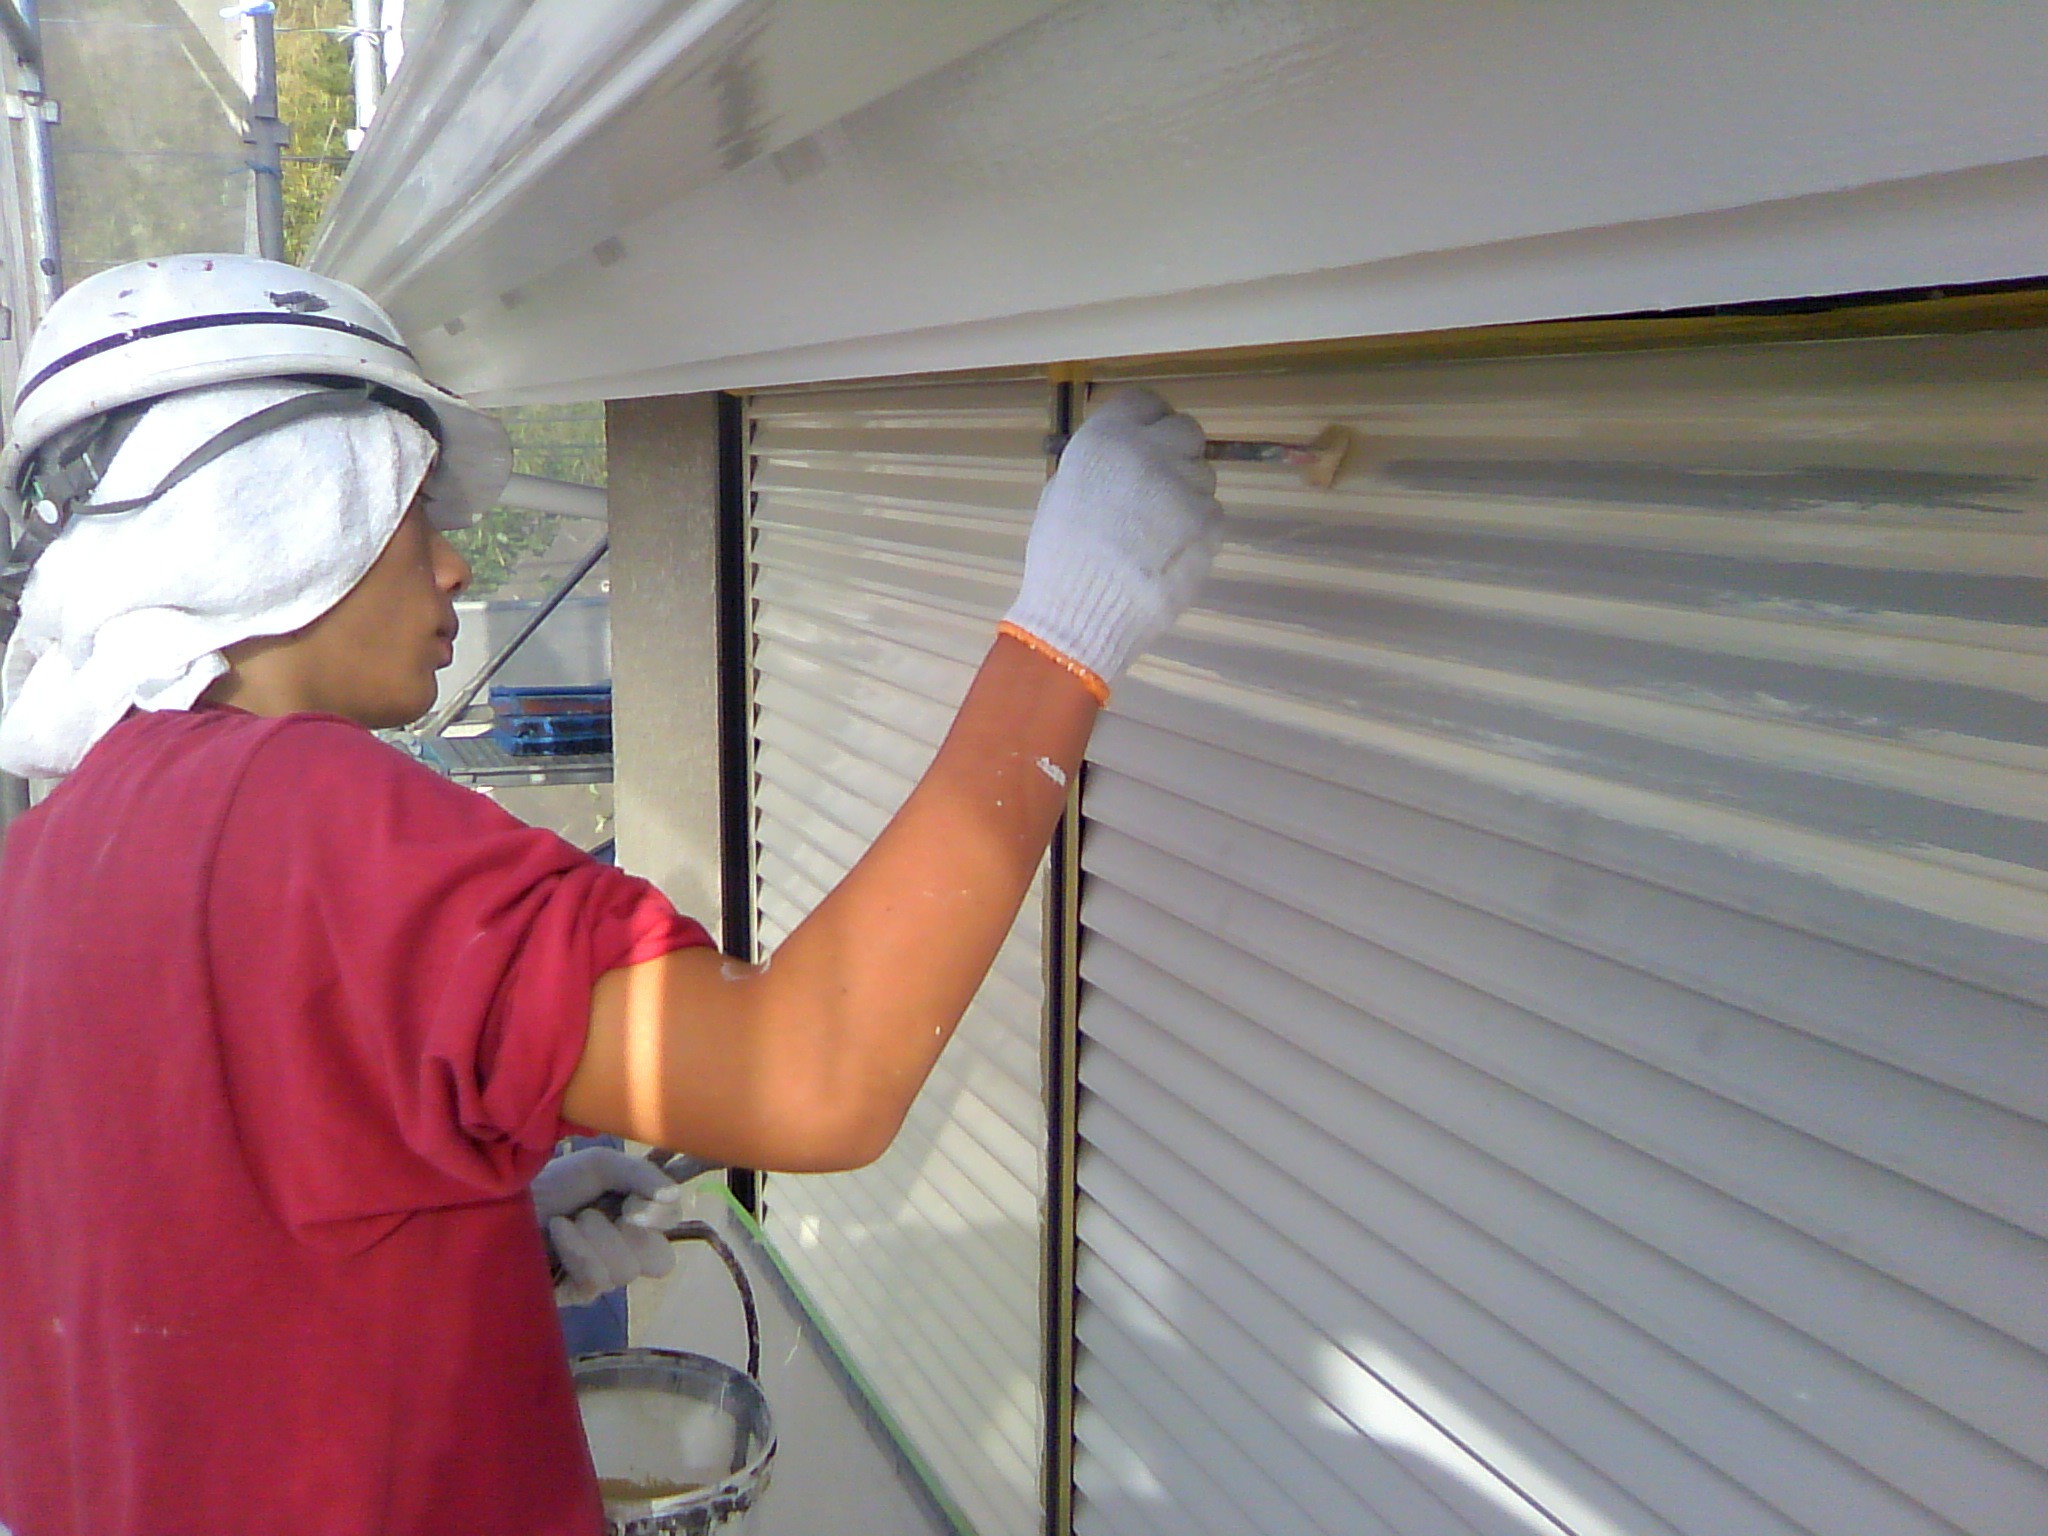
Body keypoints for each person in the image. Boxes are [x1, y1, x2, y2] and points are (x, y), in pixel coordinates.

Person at [0, 254, 1222, 1536]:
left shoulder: (51, 863)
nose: (456, 570)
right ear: (283, 514)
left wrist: (470, 1244)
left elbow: (172, 1265)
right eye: (419, 514)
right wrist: (1075, 625)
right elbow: (810, 1073)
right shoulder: (307, 812)